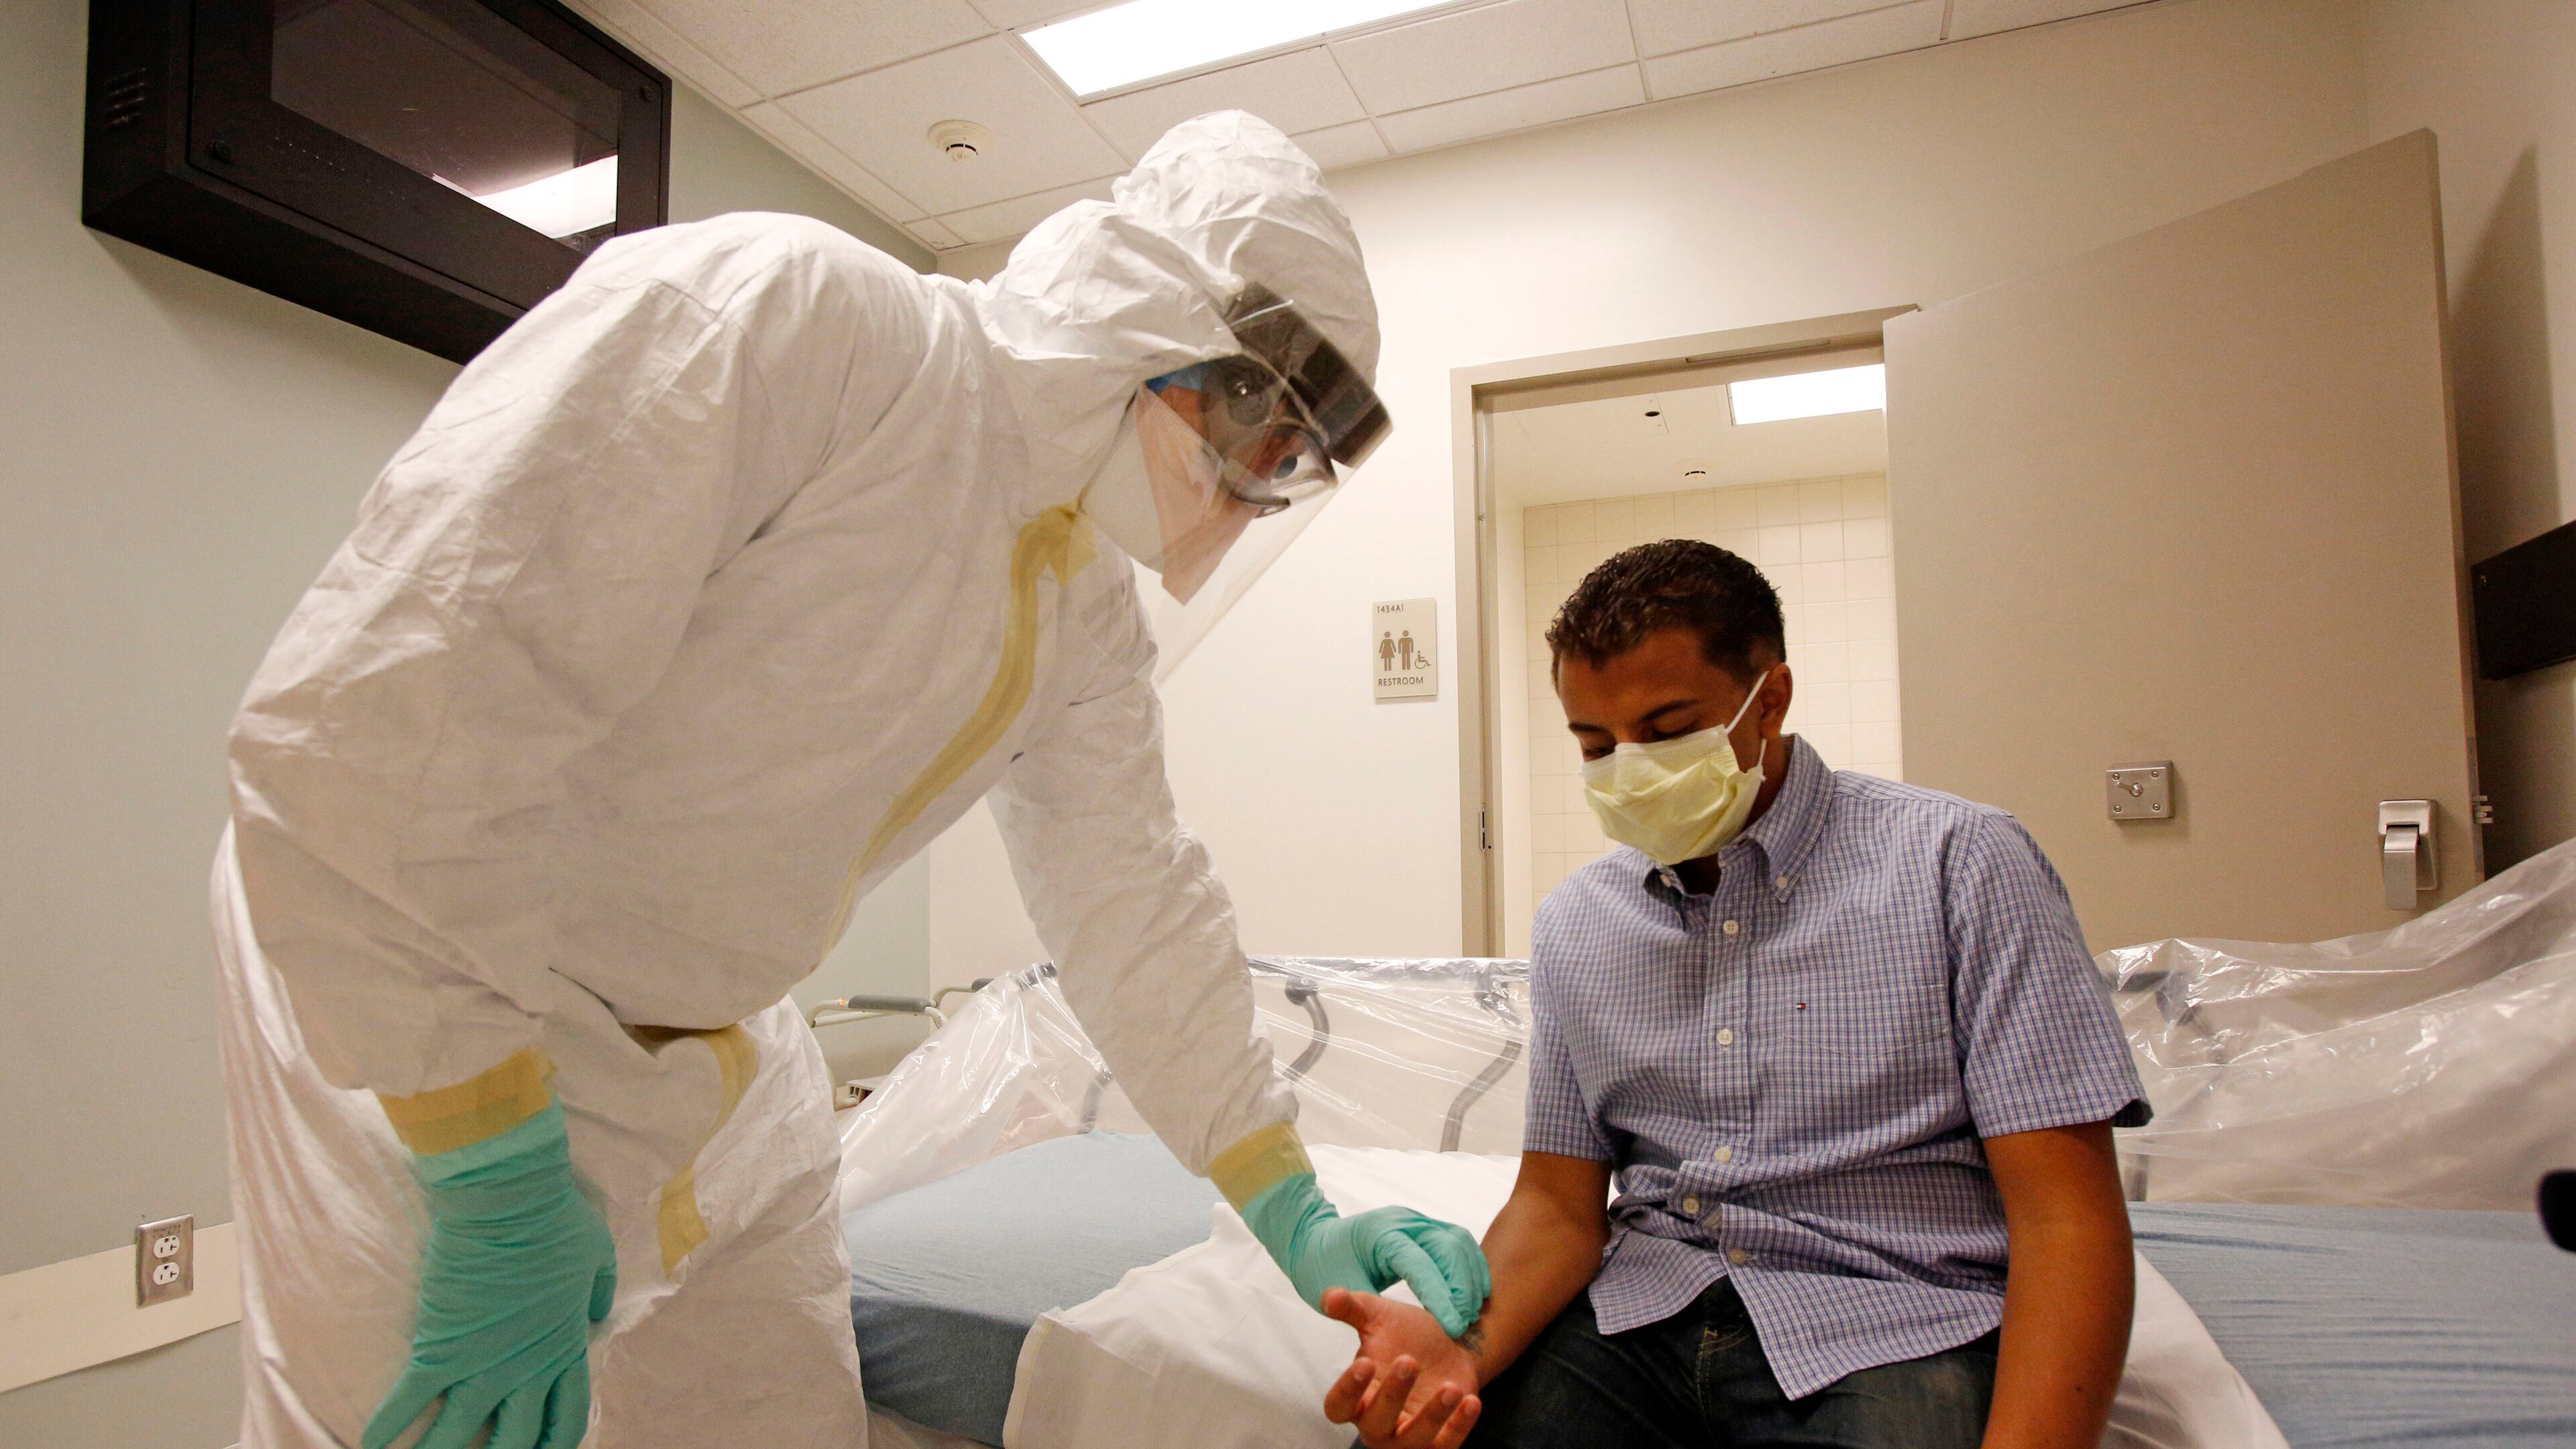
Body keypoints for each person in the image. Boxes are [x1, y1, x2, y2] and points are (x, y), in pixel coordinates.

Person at [213, 111, 1487, 1449]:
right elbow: (375, 725)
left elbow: (1134, 903)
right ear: (1175, 334)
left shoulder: (1077, 599)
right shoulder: (802, 322)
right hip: (438, 1005)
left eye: (1287, 475)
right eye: (1269, 446)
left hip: (728, 1041)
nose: (1255, 493)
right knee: (421, 1422)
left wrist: (1287, 1199)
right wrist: (493, 1179)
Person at [1323, 539, 2148, 1449]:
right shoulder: (1579, 923)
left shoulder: (1961, 865)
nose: (1630, 768)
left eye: (1668, 730)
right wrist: (1458, 1350)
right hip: (1640, 1314)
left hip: (1894, 1320)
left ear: (1772, 700)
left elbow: (2065, 1219)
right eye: (1596, 746)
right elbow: (1556, 1207)